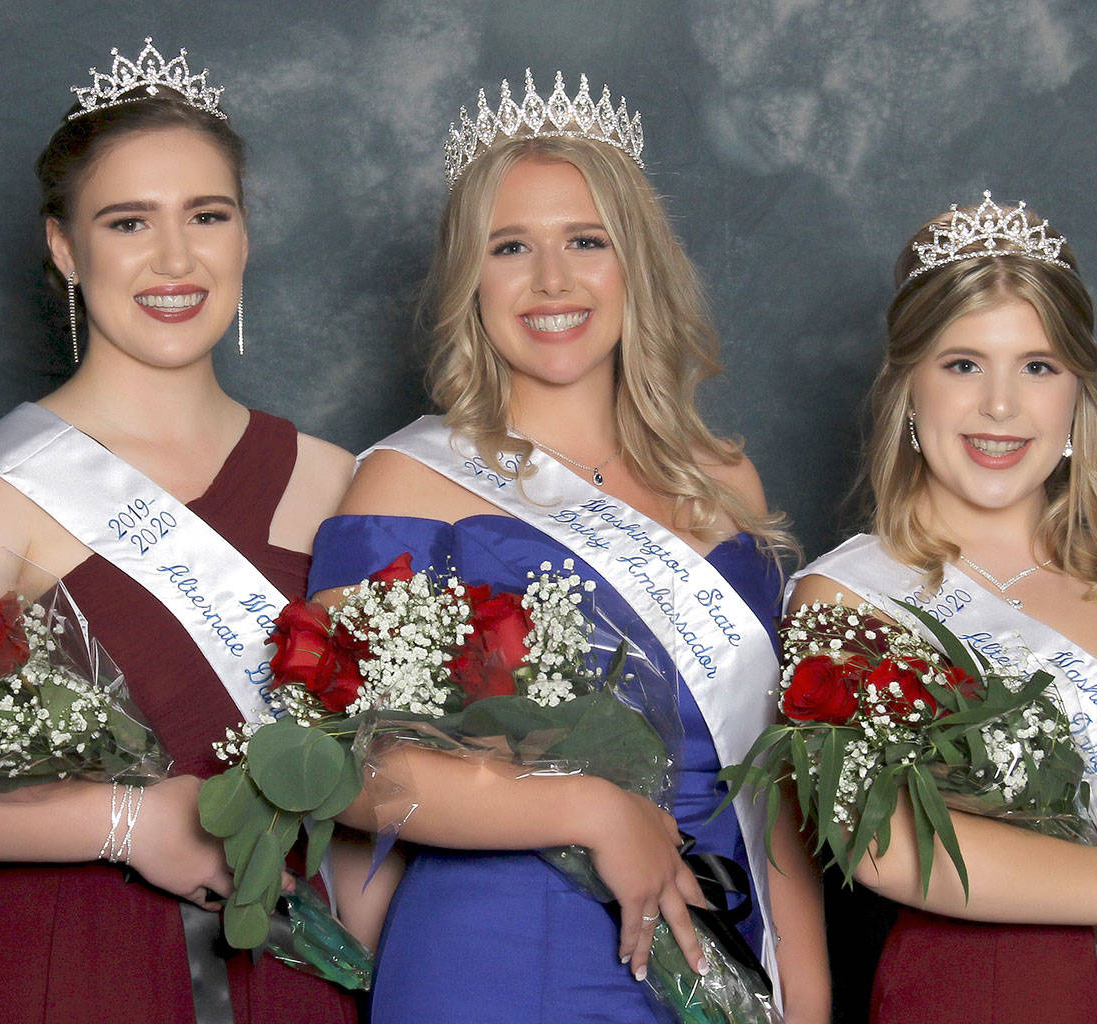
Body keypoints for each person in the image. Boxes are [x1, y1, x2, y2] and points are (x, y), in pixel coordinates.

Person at [310, 70, 831, 1024]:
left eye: (585, 241)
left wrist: (806, 1002)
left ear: (637, 261)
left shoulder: (726, 483)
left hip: (722, 950)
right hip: (501, 950)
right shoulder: (408, 485)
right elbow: (345, 766)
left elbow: (773, 788)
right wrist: (588, 809)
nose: (552, 281)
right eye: (512, 247)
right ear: (473, 277)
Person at [0, 38, 361, 1023]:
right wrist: (122, 820)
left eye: (206, 216)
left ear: (244, 234)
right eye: (128, 222)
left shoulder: (337, 479)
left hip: (298, 963)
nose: (176, 260)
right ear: (63, 247)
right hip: (64, 967)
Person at [788, 191, 1097, 1024]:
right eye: (962, 364)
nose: (999, 405)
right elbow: (881, 844)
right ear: (909, 388)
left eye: (1038, 365)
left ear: (1076, 395)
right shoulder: (845, 601)